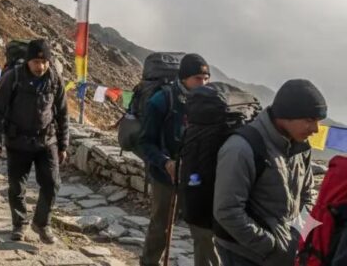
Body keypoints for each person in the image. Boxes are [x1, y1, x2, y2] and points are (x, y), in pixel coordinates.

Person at [213, 79, 324, 266]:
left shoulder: (300, 148)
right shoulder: (241, 149)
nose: (315, 129)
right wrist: (272, 246)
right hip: (244, 254)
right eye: (309, 120)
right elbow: (227, 211)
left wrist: (302, 236)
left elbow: (307, 193)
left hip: (283, 253)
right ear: (287, 115)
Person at [139, 54, 218, 266]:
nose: (203, 83)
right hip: (166, 174)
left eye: (206, 78)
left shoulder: (209, 103)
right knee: (161, 225)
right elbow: (146, 142)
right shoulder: (162, 100)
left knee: (202, 228)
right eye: (198, 78)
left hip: (195, 175)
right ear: (184, 78)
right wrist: (165, 162)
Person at [0, 39, 68, 244]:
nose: (40, 66)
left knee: (51, 183)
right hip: (17, 141)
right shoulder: (12, 78)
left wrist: (63, 144)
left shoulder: (55, 80)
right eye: (35, 62)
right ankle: (19, 223)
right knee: (17, 185)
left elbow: (63, 113)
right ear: (27, 61)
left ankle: (41, 223)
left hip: (46, 140)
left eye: (44, 62)